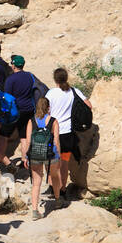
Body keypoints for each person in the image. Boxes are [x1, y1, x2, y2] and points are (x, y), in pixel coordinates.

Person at [45, 67, 92, 200]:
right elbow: (88, 105)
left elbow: (46, 110)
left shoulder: (51, 93)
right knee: (64, 163)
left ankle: (53, 188)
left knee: (53, 162)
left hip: (54, 132)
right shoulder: (74, 91)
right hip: (68, 133)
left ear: (55, 79)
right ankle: (63, 189)